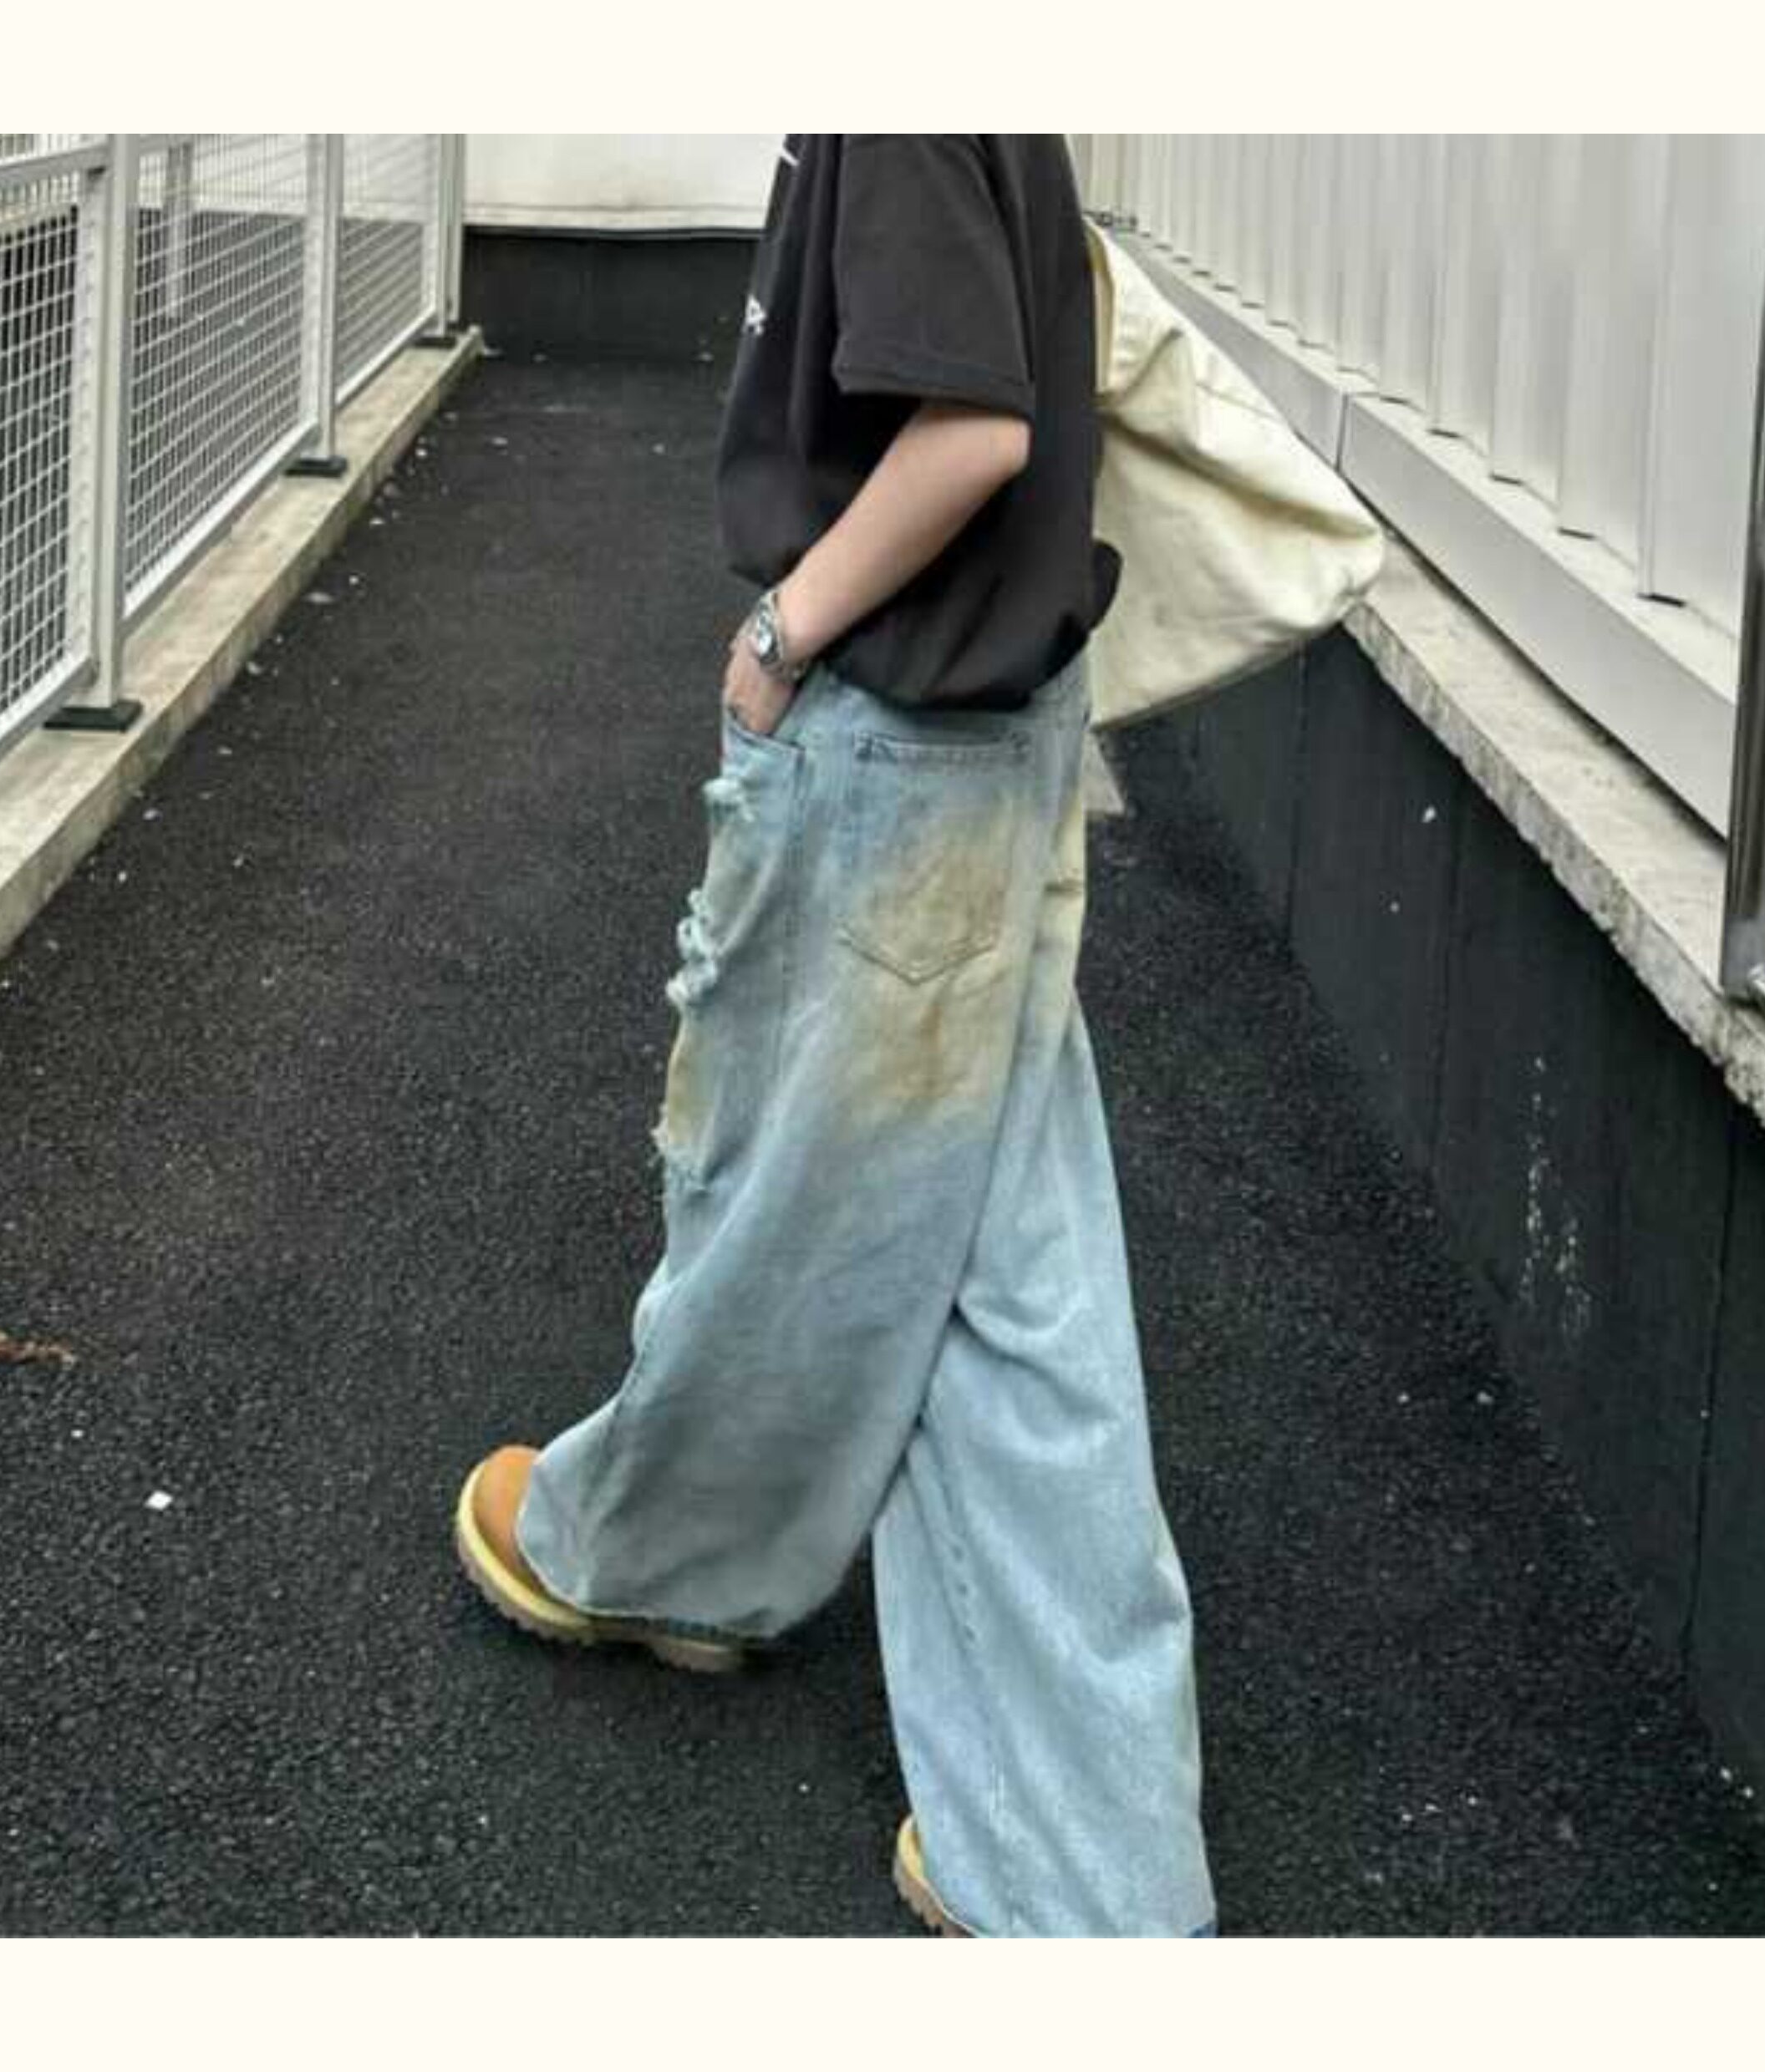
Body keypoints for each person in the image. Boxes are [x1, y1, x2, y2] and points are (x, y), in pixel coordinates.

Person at [455, 134, 1216, 1939]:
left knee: (795, 1209)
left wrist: (779, 630)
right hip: (990, 729)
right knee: (1007, 1285)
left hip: (903, 743)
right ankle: (1085, 1860)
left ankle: (654, 1553)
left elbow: (969, 430)